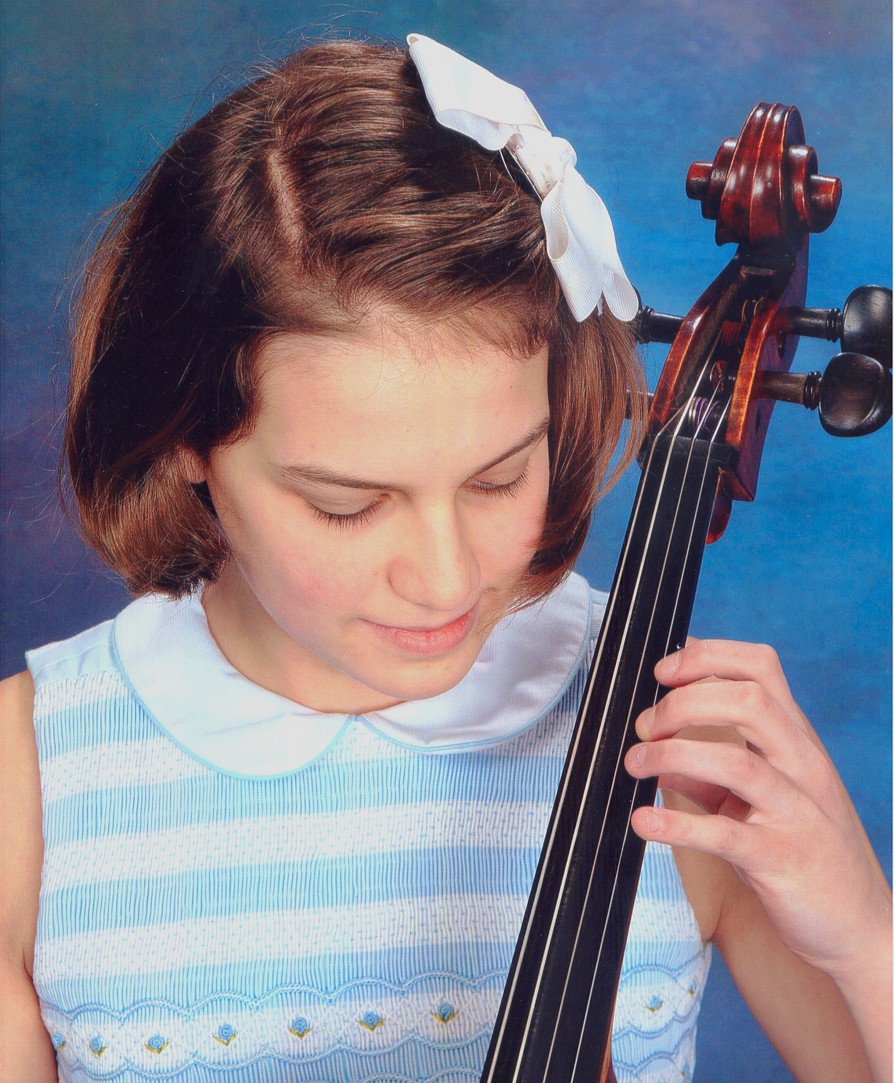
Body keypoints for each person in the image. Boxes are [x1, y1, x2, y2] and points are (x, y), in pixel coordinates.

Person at [0, 33, 889, 1083]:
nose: (446, 577)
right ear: (185, 436)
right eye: (346, 505)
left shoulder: (679, 748)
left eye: (499, 479)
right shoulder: (33, 782)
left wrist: (866, 935)